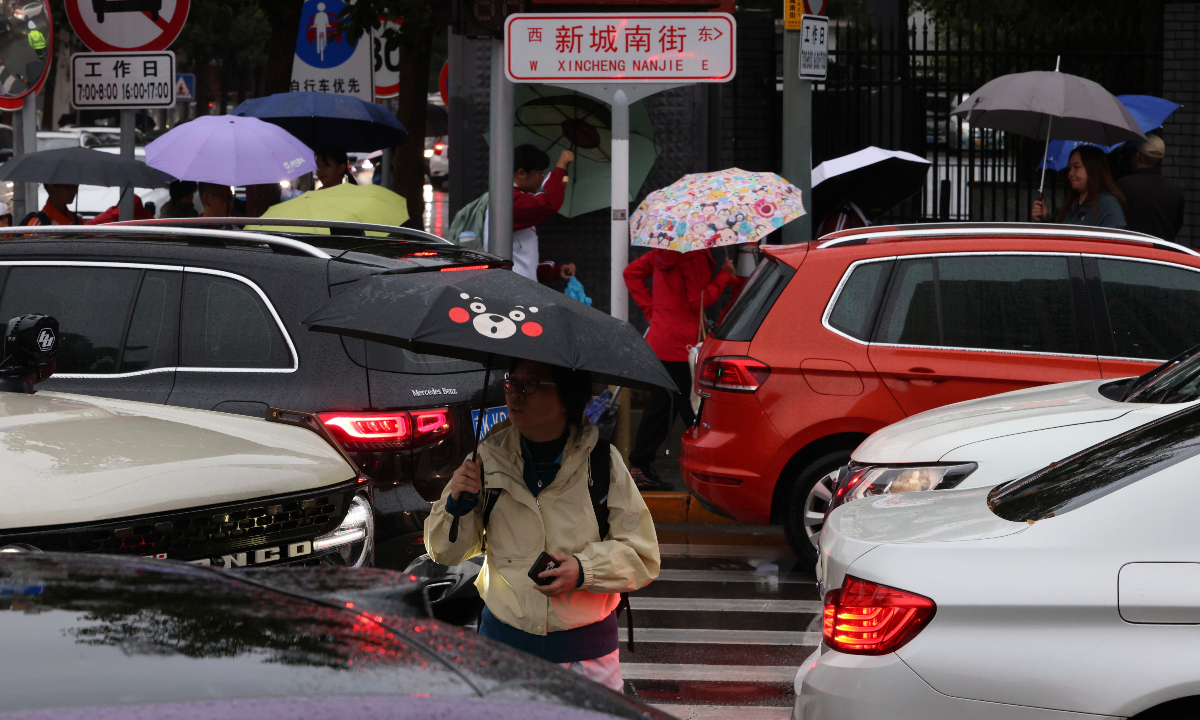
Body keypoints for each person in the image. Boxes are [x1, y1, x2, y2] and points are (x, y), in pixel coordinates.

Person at [426, 360, 659, 692]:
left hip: (586, 656)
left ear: (567, 396)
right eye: (512, 382)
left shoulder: (602, 462)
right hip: (501, 651)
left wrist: (583, 569)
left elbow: (642, 555)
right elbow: (444, 552)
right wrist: (456, 506)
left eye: (531, 384)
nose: (515, 395)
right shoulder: (485, 459)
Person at [624, 248, 737, 491]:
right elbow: (699, 301)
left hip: (663, 339)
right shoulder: (694, 256)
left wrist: (650, 311)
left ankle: (643, 466)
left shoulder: (662, 252)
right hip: (682, 344)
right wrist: (725, 275)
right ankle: (704, 467)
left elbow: (631, 273)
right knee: (689, 406)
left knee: (671, 405)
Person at [483, 144, 575, 281]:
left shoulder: (509, 198)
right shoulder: (509, 201)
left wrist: (555, 270)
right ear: (521, 173)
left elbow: (524, 260)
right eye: (539, 173)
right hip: (512, 291)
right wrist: (561, 166)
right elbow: (549, 203)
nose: (541, 178)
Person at [1032, 146, 1127, 229]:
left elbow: (1114, 242)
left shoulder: (1108, 204)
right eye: (1069, 168)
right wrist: (1044, 218)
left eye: (1076, 167)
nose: (1070, 174)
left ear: (1093, 169)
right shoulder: (1072, 204)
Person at [1116, 135, 1185, 243]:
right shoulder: (1175, 190)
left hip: (1131, 251)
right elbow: (1177, 225)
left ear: (1137, 156)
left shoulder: (1123, 185)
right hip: (1164, 253)